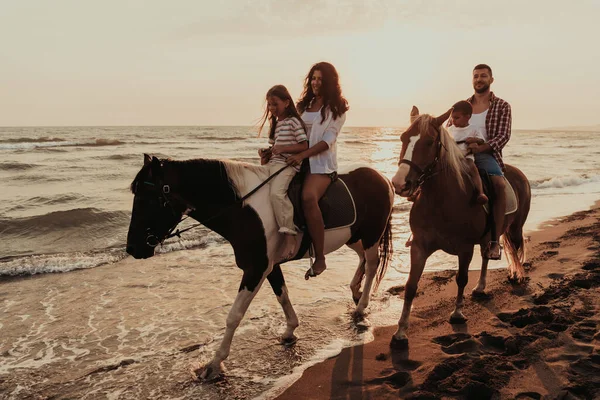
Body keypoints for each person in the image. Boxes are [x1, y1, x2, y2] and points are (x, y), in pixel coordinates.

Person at [286, 62, 348, 280]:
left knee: (308, 197)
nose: (315, 82)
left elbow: (327, 141)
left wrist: (303, 155)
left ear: (329, 82)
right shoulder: (303, 105)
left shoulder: (336, 110)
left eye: (320, 79)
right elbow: (290, 130)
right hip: (297, 162)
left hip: (321, 166)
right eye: (313, 78)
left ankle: (320, 258)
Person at [462, 63, 512, 260]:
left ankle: (494, 241)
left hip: (487, 155)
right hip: (461, 154)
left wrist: (481, 147)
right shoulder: (463, 105)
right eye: (475, 76)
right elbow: (450, 127)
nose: (479, 79)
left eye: (483, 76)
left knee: (499, 185)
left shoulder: (502, 106)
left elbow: (503, 136)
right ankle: (419, 231)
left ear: (491, 80)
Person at [258, 85, 308, 260]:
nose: (272, 108)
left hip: (288, 165)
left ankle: (289, 234)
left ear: (286, 102)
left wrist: (283, 149)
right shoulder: (276, 123)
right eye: (269, 105)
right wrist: (266, 154)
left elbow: (304, 145)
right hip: (274, 163)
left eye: (275, 104)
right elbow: (274, 147)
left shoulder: (293, 122)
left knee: (277, 194)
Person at [447, 100, 489, 205]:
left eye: (457, 118)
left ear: (467, 117)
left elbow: (482, 140)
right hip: (451, 157)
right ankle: (418, 191)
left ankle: (480, 192)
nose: (454, 121)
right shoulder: (450, 129)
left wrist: (474, 140)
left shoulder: (473, 129)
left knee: (473, 168)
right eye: (452, 118)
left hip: (466, 157)